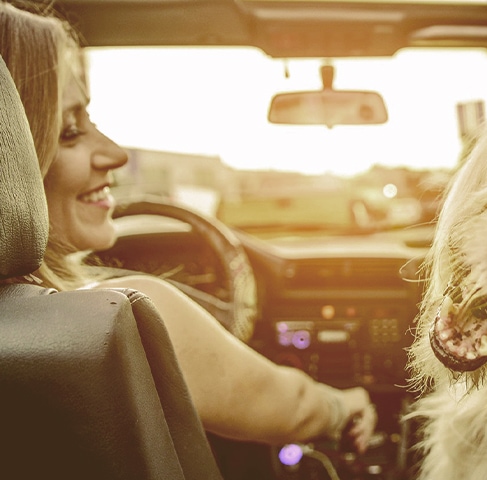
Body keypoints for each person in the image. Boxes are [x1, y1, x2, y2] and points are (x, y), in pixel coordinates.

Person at [0, 1, 377, 452]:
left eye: (91, 121)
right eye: (69, 130)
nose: (116, 154)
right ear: (12, 157)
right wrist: (343, 406)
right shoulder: (127, 317)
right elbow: (289, 406)